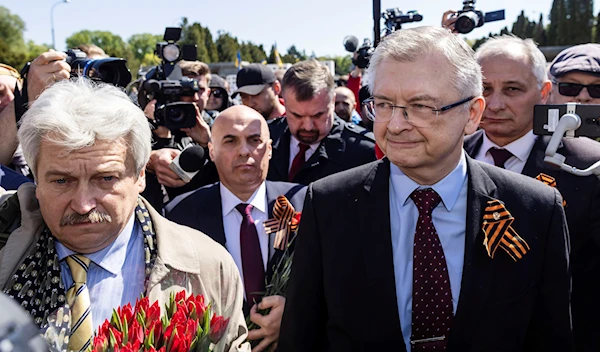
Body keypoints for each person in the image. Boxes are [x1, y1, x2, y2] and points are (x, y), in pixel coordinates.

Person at [279, 26, 572, 352]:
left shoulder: (535, 209)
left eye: (421, 106)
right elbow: (302, 337)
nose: (396, 124)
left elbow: (551, 336)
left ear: (472, 114)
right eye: (385, 104)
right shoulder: (328, 204)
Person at [0, 78, 250, 352]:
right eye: (62, 181)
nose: (83, 204)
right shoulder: (6, 247)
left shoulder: (210, 268)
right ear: (36, 179)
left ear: (140, 175)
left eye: (105, 178)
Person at [464, 36, 600, 352]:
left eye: (512, 89)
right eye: (484, 89)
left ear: (543, 93)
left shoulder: (588, 166)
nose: (494, 104)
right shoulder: (447, 158)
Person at [168, 105, 305, 351]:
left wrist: (296, 311)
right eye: (230, 141)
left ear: (270, 149)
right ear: (211, 151)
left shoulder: (305, 203)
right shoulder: (181, 215)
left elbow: (331, 282)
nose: (245, 151)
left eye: (255, 140)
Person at [267, 59, 376, 185]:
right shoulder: (262, 139)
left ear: (333, 101)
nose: (308, 127)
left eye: (318, 115)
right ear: (284, 102)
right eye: (297, 116)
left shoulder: (363, 152)